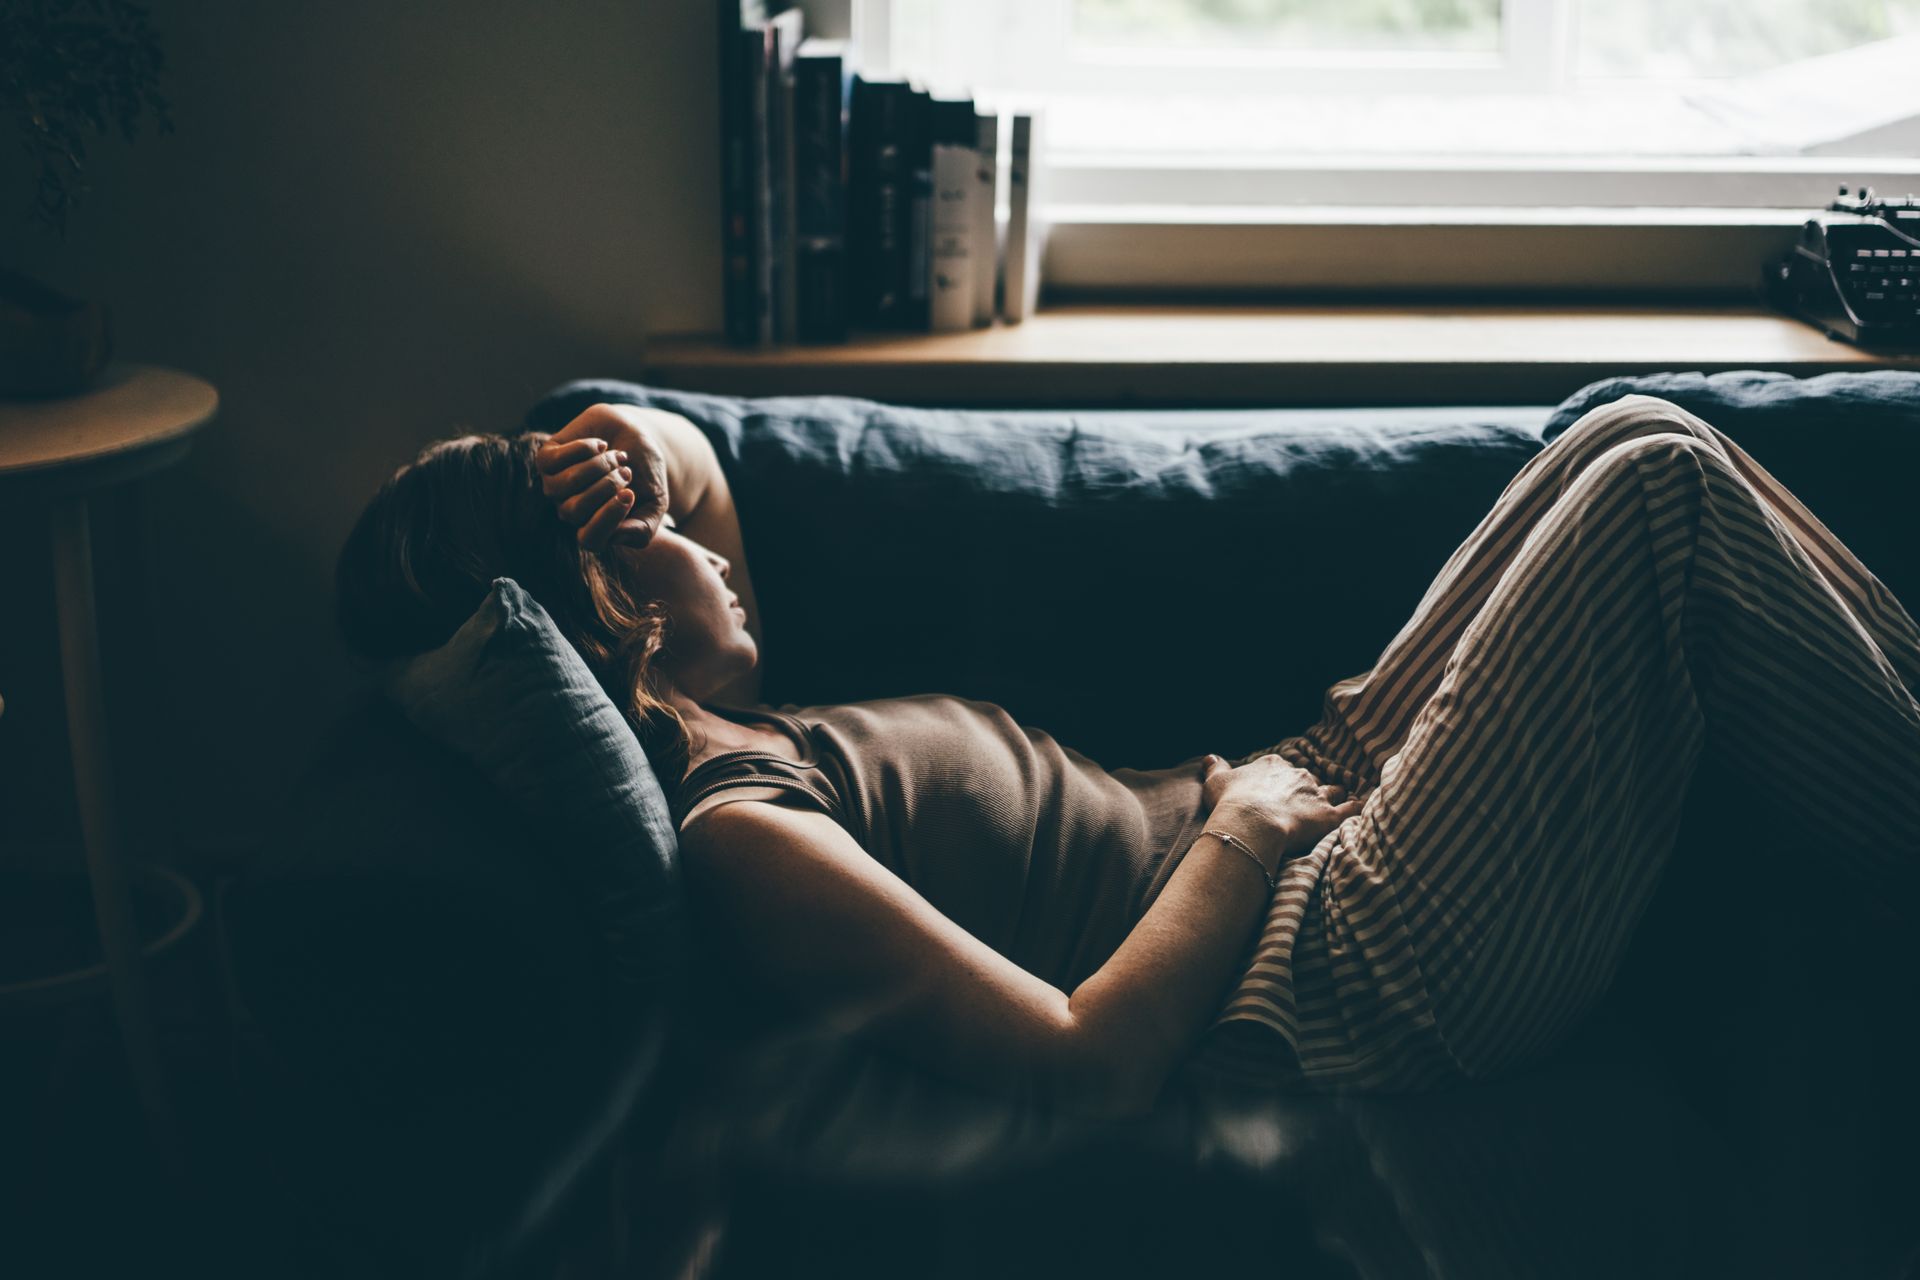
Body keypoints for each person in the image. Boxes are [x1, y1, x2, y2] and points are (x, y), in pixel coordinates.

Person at [334, 396, 1920, 1120]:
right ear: (613, 605)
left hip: (1314, 805)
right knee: (1652, 488)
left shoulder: (744, 710)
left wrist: (620, 445)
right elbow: (1082, 1060)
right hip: (1320, 965)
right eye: (665, 545)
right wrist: (1238, 829)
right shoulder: (744, 830)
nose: (711, 550)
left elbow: (692, 452)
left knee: (1625, 428)